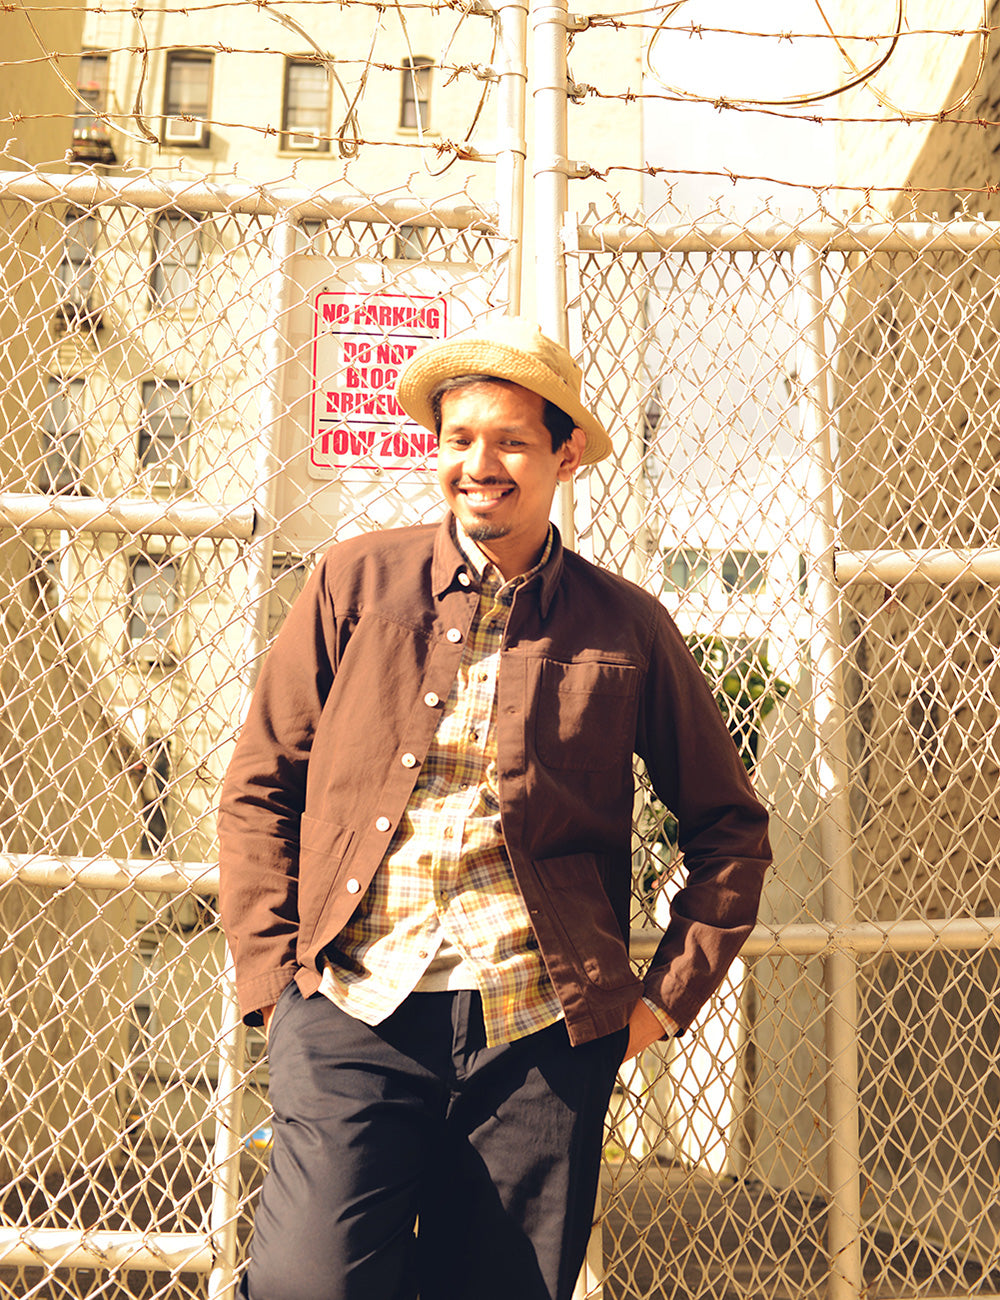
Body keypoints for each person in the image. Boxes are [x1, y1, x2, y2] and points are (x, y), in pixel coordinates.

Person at [218, 315, 771, 1300]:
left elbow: (729, 828)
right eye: (459, 438)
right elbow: (262, 783)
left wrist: (659, 1001)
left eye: (510, 440)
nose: (480, 462)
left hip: (538, 1031)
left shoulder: (626, 623)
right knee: (308, 1284)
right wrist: (272, 979)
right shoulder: (355, 580)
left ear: (564, 455)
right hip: (353, 1003)